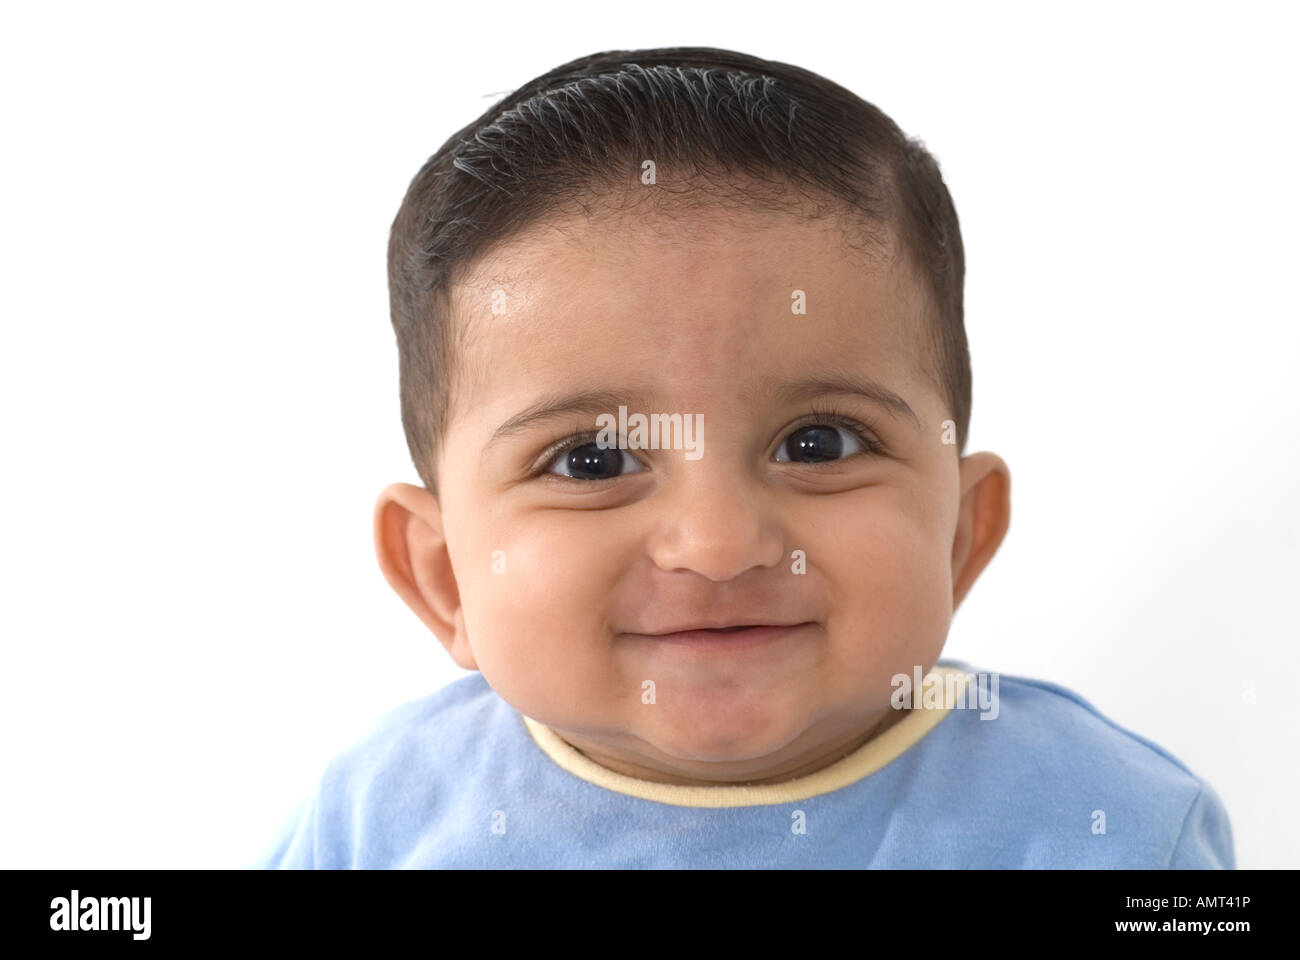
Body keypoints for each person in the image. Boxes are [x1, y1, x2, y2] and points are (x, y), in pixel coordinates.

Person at [256, 46, 1233, 868]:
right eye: (592, 462)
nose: (717, 544)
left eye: (819, 444)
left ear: (959, 537)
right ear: (443, 579)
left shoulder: (1117, 828)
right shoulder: (374, 824)